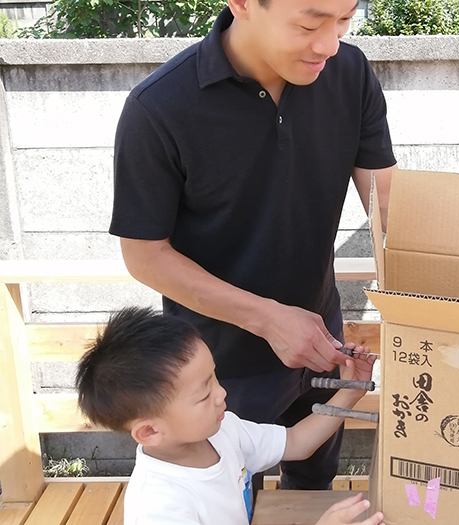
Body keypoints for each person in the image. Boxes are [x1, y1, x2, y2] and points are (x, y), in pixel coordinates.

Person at [109, 0, 396, 491]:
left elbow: (388, 208)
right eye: (309, 23)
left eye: (345, 20)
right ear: (241, 4)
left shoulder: (350, 74)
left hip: (321, 342)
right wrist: (268, 319)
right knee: (227, 499)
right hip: (214, 370)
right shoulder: (159, 107)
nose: (329, 44)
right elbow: (144, 255)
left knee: (313, 486)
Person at [76, 307, 383, 525]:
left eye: (214, 377)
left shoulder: (222, 431)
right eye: (203, 394)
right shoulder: (159, 508)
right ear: (150, 432)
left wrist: (349, 393)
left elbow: (294, 442)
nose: (221, 393)